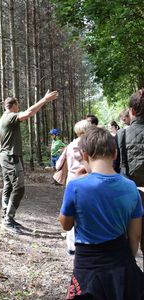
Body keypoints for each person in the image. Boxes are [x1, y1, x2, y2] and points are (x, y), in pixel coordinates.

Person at [59, 126, 144, 299]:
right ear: (115, 154)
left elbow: (66, 225)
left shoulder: (75, 186)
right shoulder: (130, 188)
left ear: (84, 156)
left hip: (87, 265)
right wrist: (128, 260)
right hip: (120, 261)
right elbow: (135, 235)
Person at [0, 90, 59, 234]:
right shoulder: (10, 116)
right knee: (19, 188)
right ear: (14, 105)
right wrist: (44, 100)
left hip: (5, 156)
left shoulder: (2, 118)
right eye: (18, 105)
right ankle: (8, 220)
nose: (19, 108)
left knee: (8, 186)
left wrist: (3, 148)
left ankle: (6, 216)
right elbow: (28, 113)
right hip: (10, 157)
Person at [116, 88, 144, 264]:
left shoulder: (121, 134)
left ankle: (130, 282)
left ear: (132, 112)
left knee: (128, 244)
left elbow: (113, 168)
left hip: (129, 197)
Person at [56, 119, 92, 255]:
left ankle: (71, 246)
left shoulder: (70, 145)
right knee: (84, 211)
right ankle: (83, 241)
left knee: (71, 211)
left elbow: (59, 163)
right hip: (85, 179)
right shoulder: (87, 145)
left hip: (71, 181)